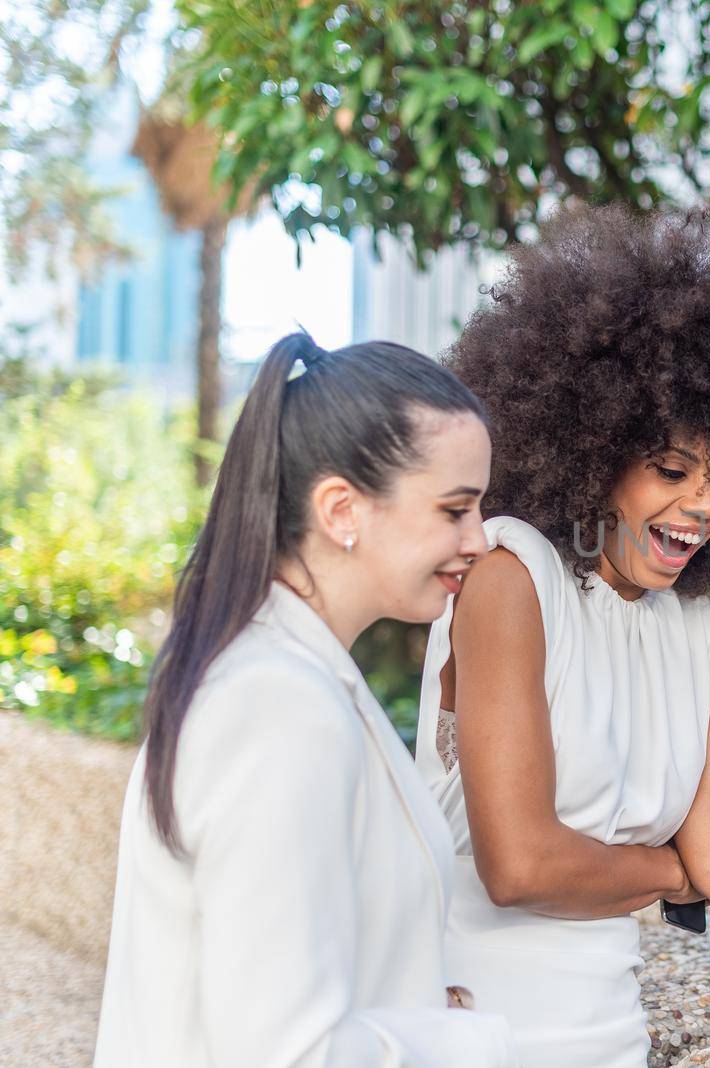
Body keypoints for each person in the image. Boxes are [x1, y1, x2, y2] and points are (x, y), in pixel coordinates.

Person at [413, 205, 710, 1066]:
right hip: (467, 1025)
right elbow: (519, 867)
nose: (702, 505)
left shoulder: (705, 619)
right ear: (593, 453)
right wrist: (670, 875)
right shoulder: (513, 579)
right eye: (671, 469)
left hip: (608, 1033)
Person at [95, 333, 516, 1067]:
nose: (479, 540)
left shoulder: (290, 675)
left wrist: (412, 998)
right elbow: (281, 1050)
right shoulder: (276, 706)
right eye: (455, 509)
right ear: (341, 510)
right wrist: (461, 1040)